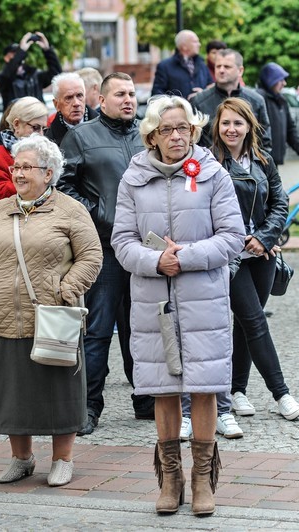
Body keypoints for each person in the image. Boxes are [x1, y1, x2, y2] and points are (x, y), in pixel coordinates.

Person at [110, 95, 244, 516]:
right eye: (166, 129)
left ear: (193, 131)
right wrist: (156, 261)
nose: (176, 136)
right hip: (153, 301)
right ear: (151, 135)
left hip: (202, 299)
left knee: (204, 387)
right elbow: (121, 242)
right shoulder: (133, 179)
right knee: (163, 390)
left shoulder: (213, 175)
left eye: (182, 128)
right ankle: (171, 478)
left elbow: (232, 237)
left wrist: (183, 256)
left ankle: (203, 477)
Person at [0, 135, 102, 488]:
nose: (18, 173)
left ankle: (63, 459)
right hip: (3, 316)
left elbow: (91, 256)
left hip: (52, 316)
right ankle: (21, 458)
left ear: (49, 173)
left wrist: (65, 290)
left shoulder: (70, 210)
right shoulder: (0, 210)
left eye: (27, 167)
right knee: (12, 391)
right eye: (16, 167)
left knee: (60, 390)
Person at [191, 98, 299, 439]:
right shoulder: (208, 161)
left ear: (249, 126)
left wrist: (266, 237)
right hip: (232, 257)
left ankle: (237, 390)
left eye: (237, 123)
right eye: (225, 123)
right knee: (255, 322)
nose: (231, 129)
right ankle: (281, 393)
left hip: (263, 255)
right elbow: (203, 208)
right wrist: (239, 240)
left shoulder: (263, 160)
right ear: (217, 126)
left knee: (245, 323)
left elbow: (280, 201)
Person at [57, 72, 154, 434]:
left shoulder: (148, 135)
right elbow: (64, 187)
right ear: (102, 98)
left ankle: (145, 400)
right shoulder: (81, 136)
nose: (128, 100)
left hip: (144, 248)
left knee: (141, 329)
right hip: (105, 248)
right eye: (120, 94)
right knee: (98, 330)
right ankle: (88, 406)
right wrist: (98, 212)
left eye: (132, 94)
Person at [191, 49, 272, 151]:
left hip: (247, 164)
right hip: (210, 164)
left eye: (227, 67)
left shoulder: (256, 100)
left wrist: (258, 164)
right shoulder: (199, 101)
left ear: (240, 71)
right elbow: (194, 139)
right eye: (218, 66)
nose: (221, 70)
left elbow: (265, 140)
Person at [0, 96, 48, 205]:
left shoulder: (46, 152)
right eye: (35, 128)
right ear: (17, 124)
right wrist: (35, 182)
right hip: (10, 218)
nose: (40, 134)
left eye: (44, 129)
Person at [0, 32, 62, 109]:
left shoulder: (34, 74)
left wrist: (47, 50)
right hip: (16, 119)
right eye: (14, 53)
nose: (18, 55)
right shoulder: (3, 77)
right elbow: (8, 73)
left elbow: (56, 73)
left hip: (37, 117)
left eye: (18, 52)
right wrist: (21, 51)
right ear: (6, 58)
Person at [256, 62, 299, 165]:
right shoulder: (258, 98)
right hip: (260, 160)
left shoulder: (281, 100)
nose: (284, 83)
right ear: (270, 80)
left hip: (273, 161)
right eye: (281, 80)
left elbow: (290, 128)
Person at [150, 30, 212, 99]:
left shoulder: (202, 64)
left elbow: (212, 88)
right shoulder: (165, 67)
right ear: (184, 46)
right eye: (195, 42)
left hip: (200, 109)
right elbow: (157, 96)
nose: (199, 44)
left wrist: (203, 93)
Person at [46, 72, 99, 146]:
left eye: (79, 95)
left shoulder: (104, 128)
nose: (76, 103)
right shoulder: (49, 142)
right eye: (69, 98)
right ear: (56, 104)